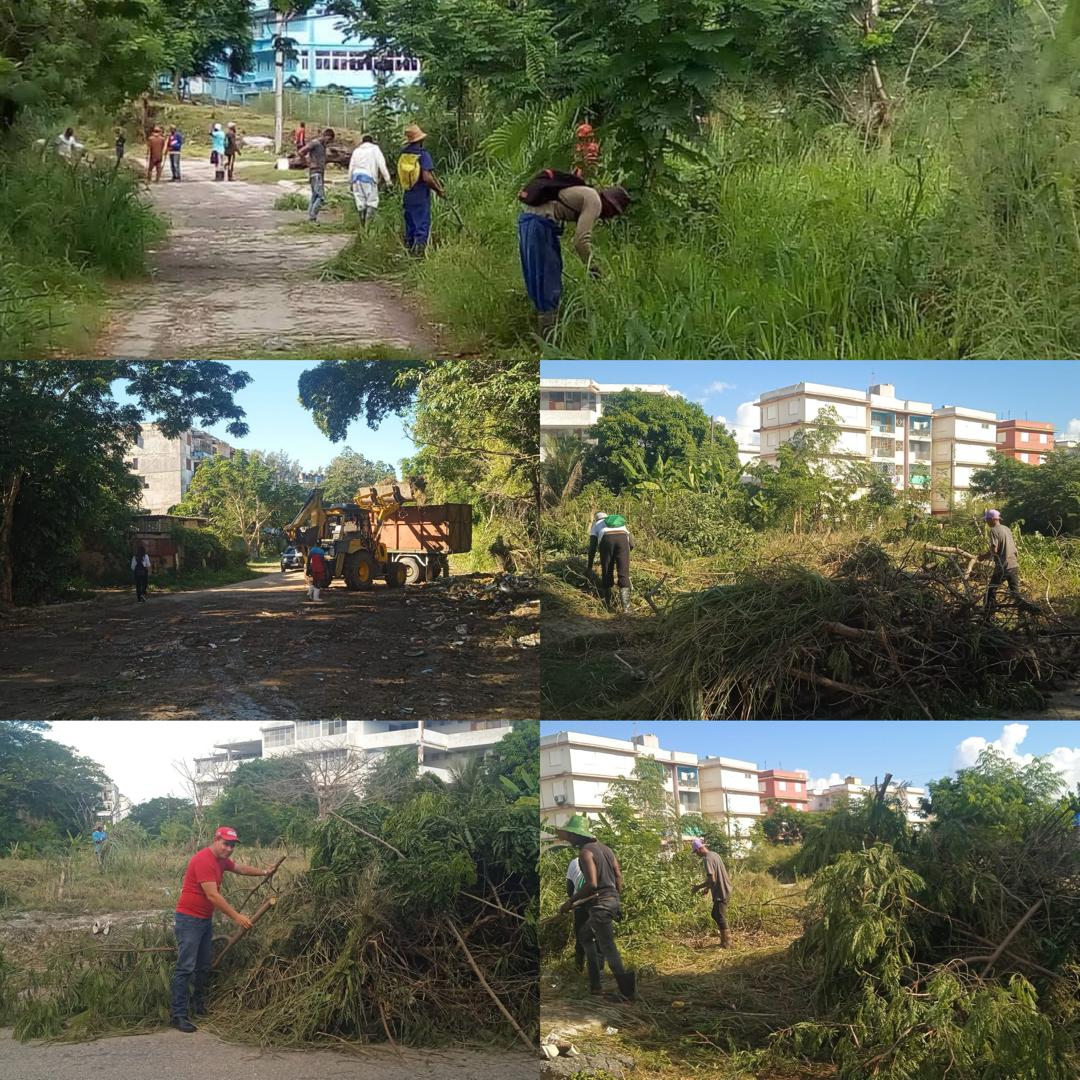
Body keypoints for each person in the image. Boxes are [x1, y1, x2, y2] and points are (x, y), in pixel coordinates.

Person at [170, 826, 276, 1032]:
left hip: (204, 920)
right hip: (189, 920)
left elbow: (240, 869)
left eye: (232, 845)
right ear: (215, 840)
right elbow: (213, 896)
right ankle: (178, 1015)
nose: (229, 849)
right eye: (226, 843)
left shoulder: (221, 860)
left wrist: (265, 871)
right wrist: (237, 917)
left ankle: (198, 1005)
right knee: (185, 967)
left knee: (203, 965)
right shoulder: (204, 860)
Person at [517, 172, 629, 334]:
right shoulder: (594, 201)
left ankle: (544, 338)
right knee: (548, 281)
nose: (610, 216)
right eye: (613, 211)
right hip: (540, 225)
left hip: (529, 221)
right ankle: (549, 343)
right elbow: (580, 242)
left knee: (538, 279)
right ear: (609, 202)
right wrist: (595, 270)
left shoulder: (585, 193)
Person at [556, 814, 635, 1002]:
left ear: (577, 835)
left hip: (601, 904)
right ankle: (597, 985)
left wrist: (569, 902)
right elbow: (618, 875)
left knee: (607, 947)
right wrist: (616, 898)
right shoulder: (606, 849)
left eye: (570, 836)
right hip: (611, 900)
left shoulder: (585, 852)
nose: (569, 839)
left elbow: (591, 884)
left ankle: (626, 991)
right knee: (585, 936)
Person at [398, 123, 445, 253]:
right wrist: (438, 190)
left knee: (410, 224)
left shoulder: (404, 154)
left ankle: (409, 250)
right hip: (421, 194)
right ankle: (419, 254)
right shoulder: (423, 155)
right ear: (421, 140)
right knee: (421, 224)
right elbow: (427, 177)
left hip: (408, 194)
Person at [587, 511, 634, 613]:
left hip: (606, 540)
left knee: (607, 571)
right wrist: (625, 553)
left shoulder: (595, 525)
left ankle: (608, 604)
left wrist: (589, 567)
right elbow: (632, 543)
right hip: (622, 539)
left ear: (596, 518)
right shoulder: (620, 524)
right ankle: (627, 608)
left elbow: (592, 548)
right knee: (623, 574)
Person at [690, 838, 733, 947]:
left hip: (721, 890)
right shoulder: (715, 854)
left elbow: (712, 879)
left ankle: (727, 942)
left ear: (699, 849)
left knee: (719, 915)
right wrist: (707, 889)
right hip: (725, 888)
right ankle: (724, 940)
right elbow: (713, 877)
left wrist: (698, 887)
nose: (696, 855)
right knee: (715, 914)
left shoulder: (707, 859)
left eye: (696, 852)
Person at [981, 509, 1022, 614]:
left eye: (987, 520)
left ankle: (988, 616)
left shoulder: (994, 531)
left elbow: (994, 550)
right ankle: (1024, 614)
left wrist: (983, 557)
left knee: (990, 591)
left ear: (992, 519)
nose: (986, 522)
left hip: (1003, 567)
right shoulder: (1007, 529)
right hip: (1014, 565)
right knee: (1015, 593)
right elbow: (1014, 548)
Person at [348, 134, 391, 226]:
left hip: (356, 177)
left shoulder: (357, 150)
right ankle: (368, 226)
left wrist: (350, 182)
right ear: (372, 141)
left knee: (360, 202)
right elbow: (382, 165)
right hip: (368, 177)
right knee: (372, 202)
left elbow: (351, 166)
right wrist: (388, 180)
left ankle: (362, 224)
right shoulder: (375, 149)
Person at [298, 128, 335, 223]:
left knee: (315, 195)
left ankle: (310, 217)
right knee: (321, 197)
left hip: (319, 173)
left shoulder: (322, 146)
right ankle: (312, 217)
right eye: (329, 140)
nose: (328, 143)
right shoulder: (315, 143)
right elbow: (301, 152)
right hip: (315, 172)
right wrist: (306, 163)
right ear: (327, 136)